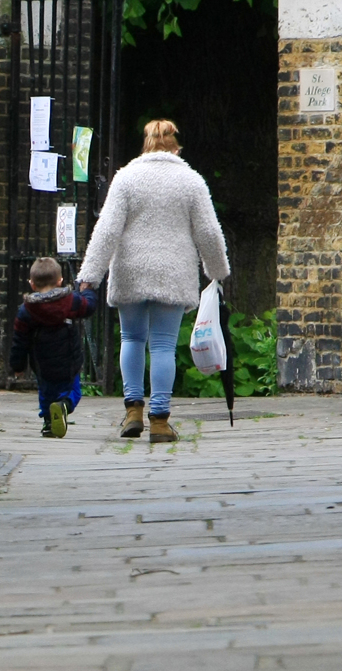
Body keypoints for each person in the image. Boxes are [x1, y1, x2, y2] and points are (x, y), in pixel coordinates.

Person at [77, 119, 231, 443]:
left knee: (131, 339)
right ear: (176, 147)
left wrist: (90, 276)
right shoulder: (191, 181)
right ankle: (160, 420)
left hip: (130, 268)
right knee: (163, 345)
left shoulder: (126, 178)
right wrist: (217, 272)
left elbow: (107, 230)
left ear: (146, 144)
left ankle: (133, 411)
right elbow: (208, 232)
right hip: (173, 271)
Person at [9, 257, 98, 438]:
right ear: (60, 281)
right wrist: (87, 291)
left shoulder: (26, 311)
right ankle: (64, 406)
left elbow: (20, 340)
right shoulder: (70, 301)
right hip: (69, 359)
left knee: (46, 392)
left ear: (32, 284)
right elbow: (88, 307)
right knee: (73, 391)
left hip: (42, 362)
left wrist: (18, 366)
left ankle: (49, 422)